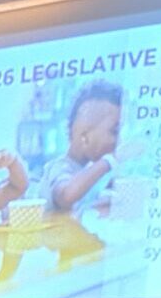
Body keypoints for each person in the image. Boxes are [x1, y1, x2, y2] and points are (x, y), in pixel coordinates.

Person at [40, 81, 124, 218]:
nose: (117, 140)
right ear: (84, 137)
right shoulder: (60, 167)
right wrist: (110, 160)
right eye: (114, 132)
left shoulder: (90, 170)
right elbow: (66, 196)